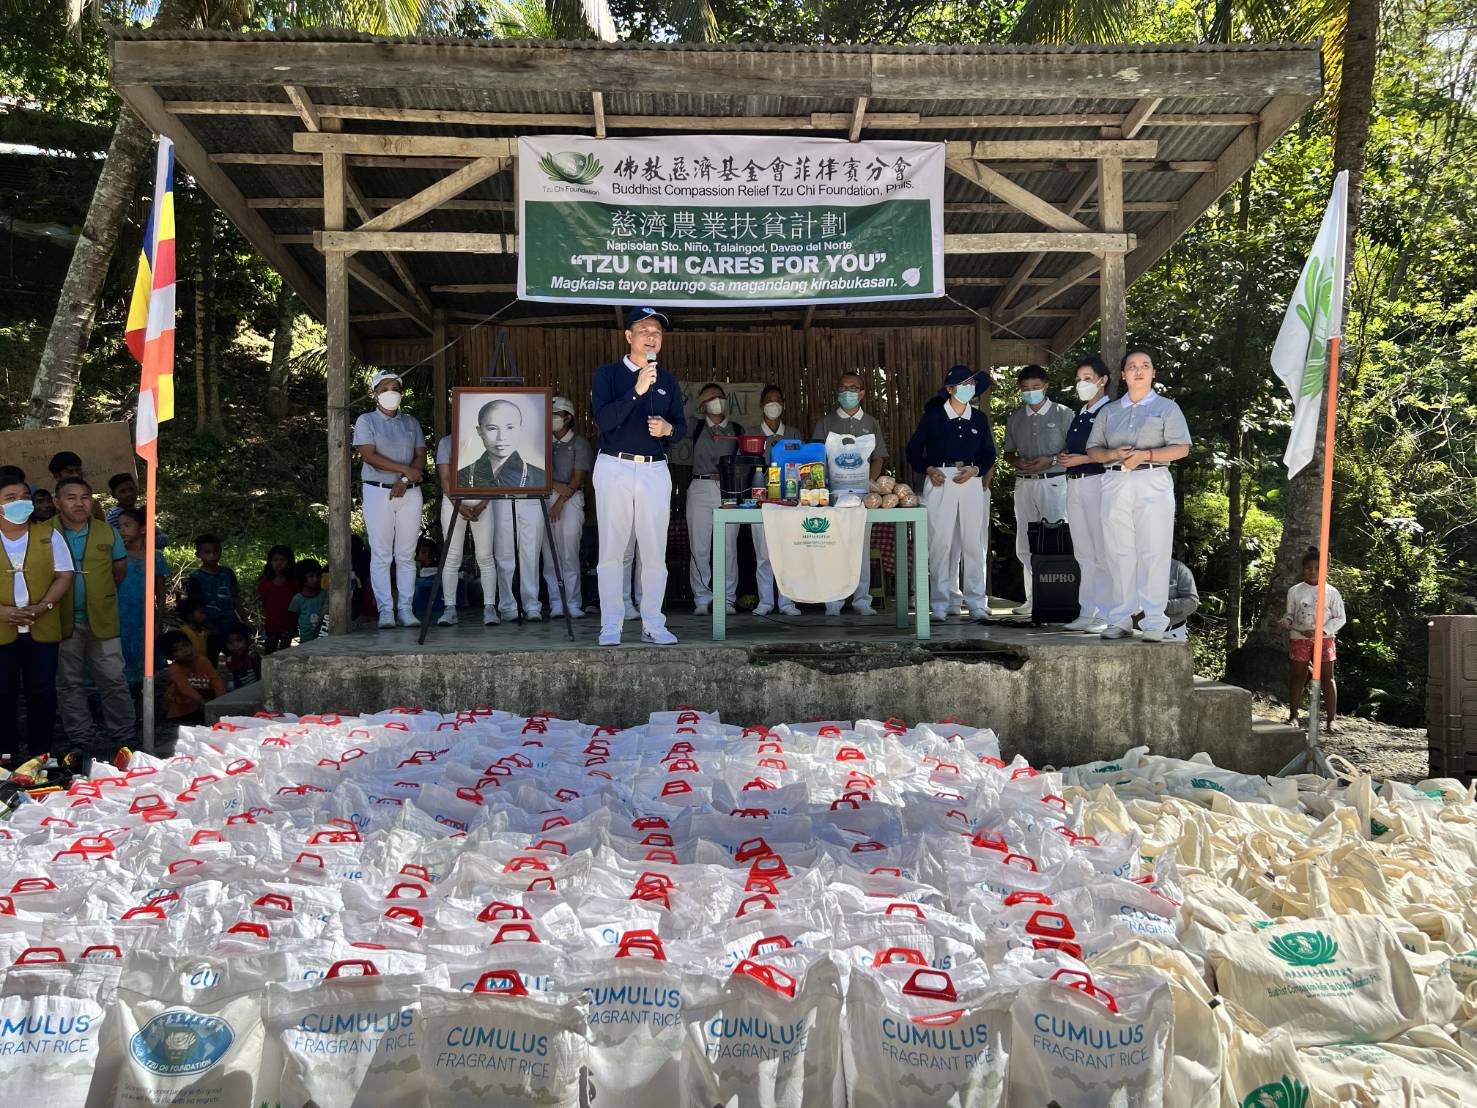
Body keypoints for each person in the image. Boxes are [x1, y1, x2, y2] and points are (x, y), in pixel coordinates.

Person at [591, 307, 686, 647]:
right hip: (615, 465)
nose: (651, 336)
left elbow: (681, 428)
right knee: (613, 550)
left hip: (654, 469)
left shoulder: (669, 381)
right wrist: (637, 389)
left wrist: (669, 428)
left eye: (657, 332)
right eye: (644, 330)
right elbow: (604, 421)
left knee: (654, 551)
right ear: (629, 337)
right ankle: (611, 624)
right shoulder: (608, 375)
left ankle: (653, 623)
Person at [1086, 348, 1193, 641]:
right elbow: (1093, 449)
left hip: (1152, 479)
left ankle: (1154, 621)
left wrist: (1146, 453)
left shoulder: (1167, 408)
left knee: (1154, 551)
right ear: (1123, 374)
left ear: (1153, 373)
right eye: (1132, 366)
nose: (1138, 370)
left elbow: (1181, 448)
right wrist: (1112, 453)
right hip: (1115, 480)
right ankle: (1120, 619)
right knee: (1118, 552)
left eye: (1145, 365)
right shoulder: (1109, 411)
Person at [906, 365, 997, 621]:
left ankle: (977, 602)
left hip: (970, 479)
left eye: (971, 383)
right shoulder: (934, 417)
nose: (969, 388)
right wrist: (928, 469)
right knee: (940, 542)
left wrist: (977, 469)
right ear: (950, 389)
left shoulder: (979, 419)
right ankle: (940, 603)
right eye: (963, 383)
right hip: (940, 479)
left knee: (973, 543)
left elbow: (989, 453)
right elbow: (914, 450)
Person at [52, 477, 135, 753]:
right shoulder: (43, 533)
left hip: (102, 616)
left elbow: (119, 570)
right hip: (60, 619)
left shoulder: (106, 532)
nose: (79, 503)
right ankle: (81, 735)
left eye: (85, 497)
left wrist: (99, 592)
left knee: (112, 676)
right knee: (68, 680)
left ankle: (123, 733)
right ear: (57, 502)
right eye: (71, 497)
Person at [0, 467, 75, 761]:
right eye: (10, 497)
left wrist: (43, 606)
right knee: (2, 694)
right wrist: (3, 612)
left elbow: (65, 575)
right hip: (2, 631)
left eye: (24, 496)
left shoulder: (48, 534)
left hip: (41, 629)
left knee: (42, 692)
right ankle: (4, 760)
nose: (20, 501)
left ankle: (41, 757)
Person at [456, 397, 545, 622]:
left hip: (529, 500)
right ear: (479, 431)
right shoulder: (468, 473)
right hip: (498, 503)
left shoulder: (538, 473)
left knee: (530, 554)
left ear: (521, 430)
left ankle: (531, 604)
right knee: (504, 556)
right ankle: (507, 604)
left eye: (510, 427)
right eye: (492, 428)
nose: (501, 437)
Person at [352, 370, 427, 629]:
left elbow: (420, 457)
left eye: (395, 388)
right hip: (377, 490)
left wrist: (404, 481)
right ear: (375, 394)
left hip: (409, 491)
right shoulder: (366, 420)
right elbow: (369, 455)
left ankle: (405, 608)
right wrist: (404, 471)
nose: (390, 393)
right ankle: (385, 610)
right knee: (382, 554)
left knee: (406, 554)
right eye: (384, 388)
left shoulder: (411, 422)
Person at [812, 371, 888, 616]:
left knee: (860, 547)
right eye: (844, 388)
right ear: (837, 392)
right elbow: (816, 459)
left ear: (862, 392)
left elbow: (878, 458)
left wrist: (870, 484)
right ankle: (832, 601)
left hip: (862, 496)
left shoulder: (872, 423)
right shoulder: (825, 423)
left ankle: (861, 600)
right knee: (832, 545)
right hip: (832, 496)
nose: (849, 392)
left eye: (854, 388)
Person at [1003, 365, 1072, 617]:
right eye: (1025, 389)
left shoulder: (1064, 414)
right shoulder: (1015, 417)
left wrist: (1051, 460)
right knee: (1025, 541)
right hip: (1024, 482)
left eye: (1035, 388)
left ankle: (1059, 597)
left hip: (1054, 482)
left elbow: (1075, 450)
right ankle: (1032, 599)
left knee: (1055, 539)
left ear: (1045, 385)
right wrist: (1016, 462)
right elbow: (1008, 451)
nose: (1030, 393)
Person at [1054, 356, 1112, 633]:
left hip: (1097, 481)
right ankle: (1087, 610)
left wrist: (1081, 460)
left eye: (1087, 378)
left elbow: (1112, 452)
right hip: (1074, 483)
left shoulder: (1109, 411)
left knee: (1102, 550)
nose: (1082, 384)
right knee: (1084, 552)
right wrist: (1066, 457)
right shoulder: (1082, 412)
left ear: (1103, 380)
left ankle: (1106, 612)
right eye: (1078, 379)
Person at [434, 430, 499, 627]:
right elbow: (445, 478)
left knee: (485, 556)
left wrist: (482, 504)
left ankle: (490, 608)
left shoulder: (490, 440)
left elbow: (495, 476)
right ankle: (450, 608)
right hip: (453, 502)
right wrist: (458, 505)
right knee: (452, 557)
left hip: (483, 502)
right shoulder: (447, 442)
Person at [687, 382, 741, 617]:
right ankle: (702, 597)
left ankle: (727, 598)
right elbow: (676, 417)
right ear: (702, 404)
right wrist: (696, 403)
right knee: (699, 545)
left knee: (728, 546)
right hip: (700, 486)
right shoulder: (695, 426)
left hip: (729, 488)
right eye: (710, 398)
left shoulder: (737, 429)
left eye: (719, 396)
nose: (716, 401)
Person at [1280, 547, 1346, 732]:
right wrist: (1287, 620)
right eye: (1309, 567)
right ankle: (1293, 716)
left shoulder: (1331, 592)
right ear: (1303, 569)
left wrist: (1322, 631)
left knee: (1327, 677)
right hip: (1299, 638)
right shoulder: (1294, 591)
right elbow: (1290, 613)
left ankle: (1331, 720)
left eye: (1317, 568)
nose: (1312, 571)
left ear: (1324, 569)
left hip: (1325, 640)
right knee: (1298, 676)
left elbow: (1340, 618)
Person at [751, 385, 801, 617]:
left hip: (790, 501)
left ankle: (787, 602)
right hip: (762, 501)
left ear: (783, 405)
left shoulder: (793, 433)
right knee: (763, 554)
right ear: (761, 404)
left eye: (778, 400)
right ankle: (765, 602)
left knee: (789, 552)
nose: (774, 404)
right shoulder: (752, 433)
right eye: (769, 400)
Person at [543, 395, 594, 619]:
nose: (552, 419)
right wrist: (554, 487)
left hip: (571, 500)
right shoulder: (541, 443)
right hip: (546, 497)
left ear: (568, 417)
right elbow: (535, 472)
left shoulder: (579, 443)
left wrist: (560, 501)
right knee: (550, 552)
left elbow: (578, 476)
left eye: (556, 415)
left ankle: (573, 602)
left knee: (569, 552)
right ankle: (556, 603)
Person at [115, 507, 170, 690]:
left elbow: (160, 592)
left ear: (143, 528)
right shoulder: (116, 556)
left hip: (143, 617)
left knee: (145, 662)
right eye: (119, 526)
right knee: (121, 661)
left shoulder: (155, 558)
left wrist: (158, 619)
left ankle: (143, 707)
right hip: (120, 615)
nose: (122, 530)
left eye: (127, 525)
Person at [186, 533, 244, 664]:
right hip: (209, 627)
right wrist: (204, 626)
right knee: (210, 661)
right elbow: (195, 606)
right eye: (207, 552)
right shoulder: (196, 577)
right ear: (198, 554)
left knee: (237, 659)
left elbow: (236, 598)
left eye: (216, 551)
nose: (212, 556)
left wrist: (244, 619)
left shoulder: (227, 573)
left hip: (231, 623)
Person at [159, 629, 225, 728]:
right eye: (177, 650)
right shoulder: (174, 668)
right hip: (183, 703)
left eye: (186, 645)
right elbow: (184, 687)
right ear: (171, 656)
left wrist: (221, 701)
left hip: (204, 699)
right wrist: (201, 700)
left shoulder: (203, 661)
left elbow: (216, 681)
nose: (185, 651)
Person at [105, 473, 167, 547]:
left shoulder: (134, 512)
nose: (128, 494)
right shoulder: (115, 516)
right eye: (122, 491)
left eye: (131, 489)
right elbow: (124, 545)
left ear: (136, 489)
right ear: (113, 495)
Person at [257, 545, 297, 652]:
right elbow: (263, 602)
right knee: (270, 652)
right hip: (271, 624)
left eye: (283, 560)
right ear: (270, 562)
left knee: (285, 652)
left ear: (289, 561)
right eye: (275, 560)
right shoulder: (265, 583)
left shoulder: (294, 582)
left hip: (289, 624)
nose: (279, 563)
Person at [48, 452, 105, 521]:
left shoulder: (93, 505)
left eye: (78, 470)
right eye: (70, 471)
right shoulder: (47, 506)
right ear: (57, 476)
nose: (76, 475)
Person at [289, 559, 327, 643]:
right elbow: (293, 617)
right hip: (306, 640)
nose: (316, 579)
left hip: (324, 639)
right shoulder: (298, 599)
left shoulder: (325, 595)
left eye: (318, 575)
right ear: (303, 579)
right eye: (311, 576)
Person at [1164, 558, 1200, 642]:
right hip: (1135, 635)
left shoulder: (1178, 568)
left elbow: (1192, 602)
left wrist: (1162, 606)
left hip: (1172, 634)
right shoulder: (1132, 565)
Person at [220, 624, 262, 691]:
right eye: (231, 642)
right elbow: (237, 682)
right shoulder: (229, 661)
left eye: (239, 641)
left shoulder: (253, 657)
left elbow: (261, 678)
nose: (235, 645)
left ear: (247, 641)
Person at [177, 597, 211, 662]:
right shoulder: (183, 632)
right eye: (201, 612)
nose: (204, 616)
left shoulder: (203, 631)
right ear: (189, 615)